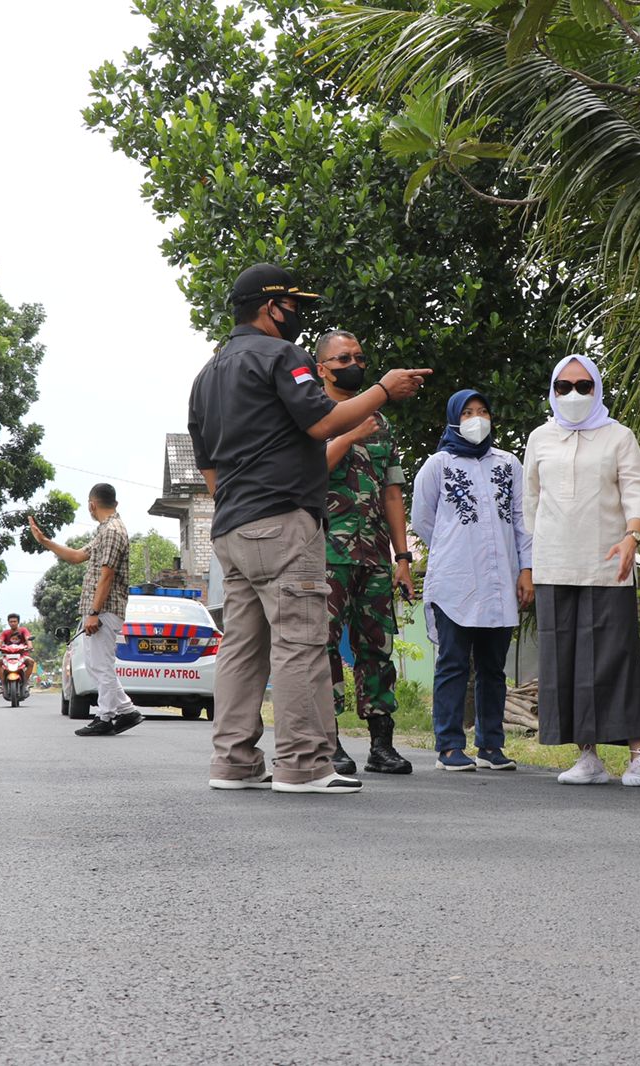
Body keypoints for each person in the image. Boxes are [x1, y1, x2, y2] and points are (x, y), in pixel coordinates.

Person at [187, 263, 429, 794]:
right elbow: (321, 421)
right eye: (293, 304)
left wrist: (237, 501)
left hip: (231, 528)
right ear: (271, 307)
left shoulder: (208, 374)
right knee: (300, 643)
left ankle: (234, 761)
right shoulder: (281, 356)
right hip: (283, 523)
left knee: (243, 649)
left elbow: (208, 464)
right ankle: (303, 763)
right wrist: (385, 390)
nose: (299, 314)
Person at [523, 354, 640, 789]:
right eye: (564, 387)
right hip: (555, 563)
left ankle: (639, 757)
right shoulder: (540, 437)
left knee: (618, 656)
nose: (573, 394)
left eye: (584, 386)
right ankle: (586, 756)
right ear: (553, 392)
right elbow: (530, 503)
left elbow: (635, 488)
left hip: (608, 561)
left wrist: (632, 535)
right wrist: (531, 561)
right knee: (565, 659)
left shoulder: (618, 436)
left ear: (598, 390)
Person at [413, 388, 533, 771]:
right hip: (455, 582)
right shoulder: (438, 465)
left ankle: (490, 746)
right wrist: (455, 549)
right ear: (453, 419)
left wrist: (526, 569)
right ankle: (448, 746)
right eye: (467, 413)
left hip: (501, 582)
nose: (476, 419)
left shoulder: (508, 463)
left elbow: (521, 520)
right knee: (452, 664)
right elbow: (423, 521)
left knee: (493, 668)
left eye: (483, 411)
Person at [315, 329, 414, 776]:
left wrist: (403, 558)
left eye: (358, 356)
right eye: (342, 358)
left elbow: (392, 493)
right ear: (322, 368)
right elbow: (312, 470)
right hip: (324, 552)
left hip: (374, 554)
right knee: (323, 646)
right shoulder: (312, 414)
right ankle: (328, 741)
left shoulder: (383, 422)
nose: (352, 363)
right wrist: (350, 431)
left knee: (377, 646)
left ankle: (382, 743)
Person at [28, 485, 143, 738]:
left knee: (101, 665)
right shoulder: (106, 530)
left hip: (104, 609)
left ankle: (105, 717)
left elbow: (107, 575)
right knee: (96, 664)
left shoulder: (112, 531)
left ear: (92, 504)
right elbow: (77, 556)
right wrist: (45, 541)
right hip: (100, 610)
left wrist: (93, 612)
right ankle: (127, 711)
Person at [0, 612, 35, 685]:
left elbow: (28, 639)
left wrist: (30, 646)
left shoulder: (23, 630)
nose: (13, 623)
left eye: (14, 621)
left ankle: (25, 681)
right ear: (8, 623)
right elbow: (0, 641)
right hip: (7, 656)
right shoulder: (5, 632)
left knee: (31, 662)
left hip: (22, 656)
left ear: (18, 622)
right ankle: (3, 683)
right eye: (11, 622)